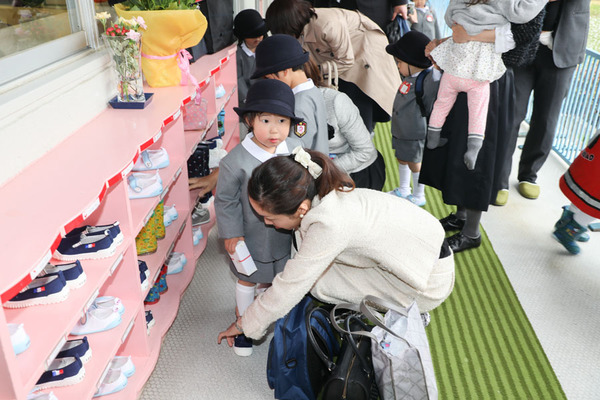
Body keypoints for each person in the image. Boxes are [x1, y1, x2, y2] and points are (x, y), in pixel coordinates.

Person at [217, 148, 455, 343]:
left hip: (430, 281)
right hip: (424, 252)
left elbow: (291, 284)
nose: (266, 223)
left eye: (270, 218)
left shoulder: (330, 224)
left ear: (301, 209)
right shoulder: (318, 186)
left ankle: (408, 309)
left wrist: (245, 323)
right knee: (313, 264)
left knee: (317, 284)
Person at [214, 79, 303, 356]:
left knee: (283, 277)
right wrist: (231, 233)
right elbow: (226, 200)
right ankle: (244, 328)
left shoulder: (295, 154)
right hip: (251, 234)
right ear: (251, 121)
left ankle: (276, 320)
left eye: (282, 120)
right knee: (248, 278)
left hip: (287, 234)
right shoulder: (235, 160)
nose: (275, 129)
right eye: (266, 120)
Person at [426, 0, 547, 171]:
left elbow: (449, 18)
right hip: (479, 71)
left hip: (454, 65)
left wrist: (466, 28)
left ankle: (432, 136)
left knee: (442, 102)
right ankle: (474, 148)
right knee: (478, 111)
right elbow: (519, 16)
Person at [498, 0, 590, 202]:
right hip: (523, 44)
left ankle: (529, 176)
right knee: (510, 115)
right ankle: (499, 179)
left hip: (563, 49)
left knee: (546, 119)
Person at [265, 0, 401, 133]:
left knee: (358, 97)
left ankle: (364, 139)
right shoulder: (301, 29)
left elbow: (346, 60)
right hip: (339, 62)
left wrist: (315, 71)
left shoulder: (327, 23)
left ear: (288, 24)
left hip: (364, 54)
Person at [301, 57, 386, 190]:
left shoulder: (334, 101)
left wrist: (321, 171)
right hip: (313, 177)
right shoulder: (277, 106)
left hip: (355, 175)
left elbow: (364, 151)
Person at [386, 31, 441, 207]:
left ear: (413, 62)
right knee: (402, 158)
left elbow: (436, 84)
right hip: (402, 130)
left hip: (414, 132)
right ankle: (403, 189)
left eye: (400, 62)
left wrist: (437, 66)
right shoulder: (409, 77)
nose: (397, 66)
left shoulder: (427, 80)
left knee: (415, 163)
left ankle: (419, 195)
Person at [251, 34, 329, 155]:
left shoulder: (299, 103)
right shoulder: (313, 91)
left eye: (269, 77)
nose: (270, 83)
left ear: (284, 71)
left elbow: (297, 149)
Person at [552, 131, 600, 255]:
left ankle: (566, 221)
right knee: (595, 202)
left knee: (583, 191)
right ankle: (569, 231)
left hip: (593, 156)